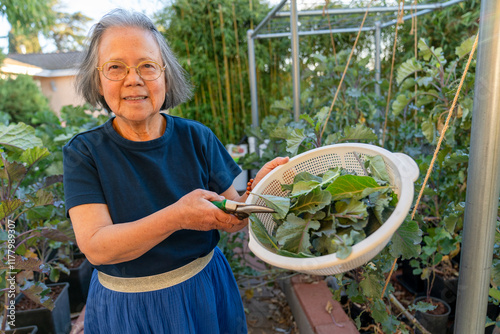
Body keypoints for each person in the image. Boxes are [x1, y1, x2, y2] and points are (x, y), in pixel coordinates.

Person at [62, 8, 288, 334]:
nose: (133, 78)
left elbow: (234, 215)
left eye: (147, 66)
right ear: (97, 80)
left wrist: (258, 190)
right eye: (115, 67)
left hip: (204, 291)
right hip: (128, 308)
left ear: (166, 76)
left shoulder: (198, 137)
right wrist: (178, 216)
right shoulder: (84, 153)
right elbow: (96, 245)